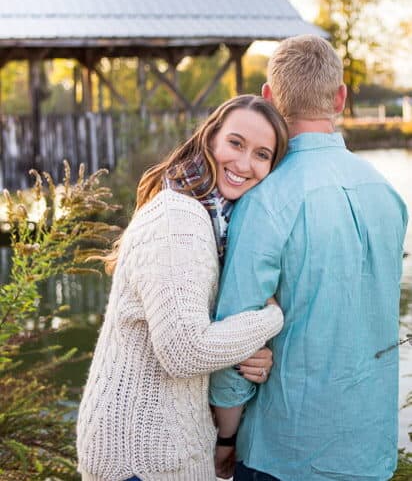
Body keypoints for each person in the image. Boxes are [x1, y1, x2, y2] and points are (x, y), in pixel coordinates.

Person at [210, 35, 409, 481]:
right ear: (340, 98)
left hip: (283, 453)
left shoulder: (266, 199)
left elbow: (235, 335)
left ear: (269, 99)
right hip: (369, 450)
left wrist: (225, 439)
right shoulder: (389, 194)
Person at [76, 94, 289, 481]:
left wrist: (247, 353)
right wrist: (271, 319)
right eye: (236, 143)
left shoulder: (212, 218)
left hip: (163, 450)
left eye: (262, 154)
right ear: (210, 139)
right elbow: (185, 351)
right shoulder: (181, 219)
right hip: (140, 459)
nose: (244, 164)